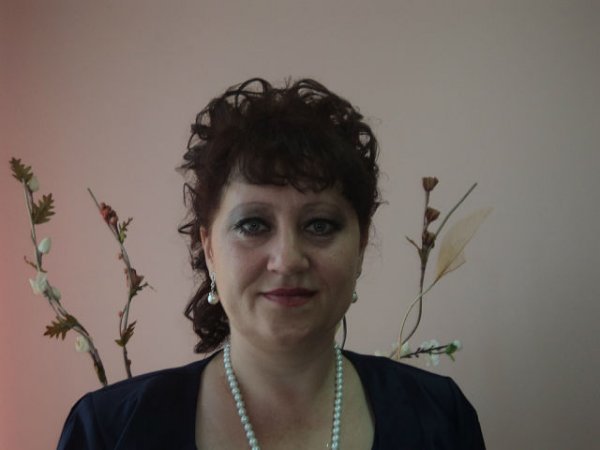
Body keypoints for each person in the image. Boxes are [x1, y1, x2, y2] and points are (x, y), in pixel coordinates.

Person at [57, 78, 485, 449]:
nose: (288, 259)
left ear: (360, 246)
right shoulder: (109, 432)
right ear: (209, 249)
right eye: (253, 225)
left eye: (319, 225)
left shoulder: (439, 417)